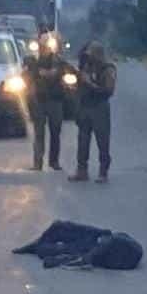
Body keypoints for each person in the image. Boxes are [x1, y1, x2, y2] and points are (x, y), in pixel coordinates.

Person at [69, 41, 117, 183]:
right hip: (85, 106)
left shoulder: (108, 70)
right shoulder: (86, 66)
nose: (89, 57)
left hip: (99, 107)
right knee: (83, 140)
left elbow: (108, 91)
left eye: (92, 55)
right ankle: (81, 170)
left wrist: (90, 83)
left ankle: (103, 171)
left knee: (102, 141)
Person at [24, 33, 68, 171]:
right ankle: (38, 163)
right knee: (39, 133)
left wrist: (42, 73)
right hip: (39, 100)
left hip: (55, 100)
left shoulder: (58, 60)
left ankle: (53, 162)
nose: (45, 47)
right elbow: (28, 75)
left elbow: (56, 73)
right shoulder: (32, 60)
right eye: (43, 44)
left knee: (55, 132)